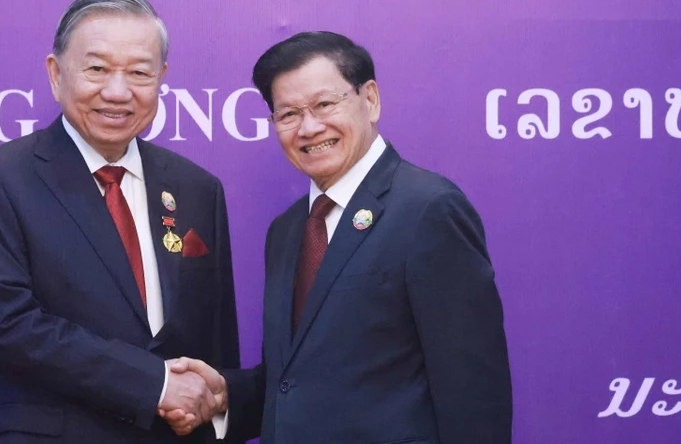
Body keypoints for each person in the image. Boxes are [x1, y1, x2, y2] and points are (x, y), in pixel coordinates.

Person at [177, 31, 512, 443]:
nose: (310, 127)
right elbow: (295, 379)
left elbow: (473, 392)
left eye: (324, 104)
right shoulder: (287, 229)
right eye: (288, 114)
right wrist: (225, 396)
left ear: (369, 99)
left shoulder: (427, 209)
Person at [0, 0, 239, 443]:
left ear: (162, 77)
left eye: (139, 72)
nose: (118, 91)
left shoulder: (197, 188)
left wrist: (212, 407)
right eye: (97, 69)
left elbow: (218, 345)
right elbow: (6, 325)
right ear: (55, 73)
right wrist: (155, 384)